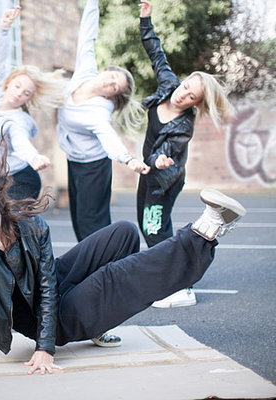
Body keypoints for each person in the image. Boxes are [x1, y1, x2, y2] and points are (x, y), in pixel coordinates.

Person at [0, 133, 246, 375]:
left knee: (122, 233)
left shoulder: (31, 225)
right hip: (39, 320)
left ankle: (98, 321)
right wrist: (45, 347)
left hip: (51, 293)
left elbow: (50, 284)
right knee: (113, 279)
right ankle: (205, 232)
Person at [137, 0, 233, 308]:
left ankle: (179, 287)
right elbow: (157, 55)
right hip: (151, 173)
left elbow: (164, 153)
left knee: (154, 228)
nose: (183, 93)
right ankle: (178, 279)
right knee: (151, 226)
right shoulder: (169, 85)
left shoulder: (182, 127)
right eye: (186, 86)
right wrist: (146, 22)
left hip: (162, 178)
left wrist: (157, 161)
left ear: (195, 103)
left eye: (191, 95)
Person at [56, 0, 150, 243]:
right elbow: (87, 37)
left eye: (115, 86)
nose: (110, 82)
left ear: (113, 95)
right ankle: (97, 266)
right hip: (75, 160)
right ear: (105, 70)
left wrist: (128, 158)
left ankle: (105, 269)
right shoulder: (85, 73)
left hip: (94, 167)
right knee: (78, 220)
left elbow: (108, 137)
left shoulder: (100, 110)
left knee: (92, 224)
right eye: (112, 76)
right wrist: (92, 4)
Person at [0, 6, 66, 200]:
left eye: (26, 93)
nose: (19, 94)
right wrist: (4, 28)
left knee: (15, 230)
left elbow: (21, 142)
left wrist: (33, 157)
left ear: (29, 98)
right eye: (17, 86)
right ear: (9, 83)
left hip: (19, 180)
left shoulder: (18, 120)